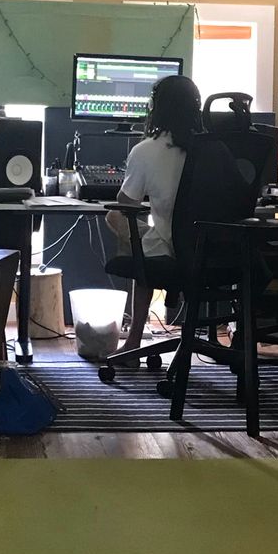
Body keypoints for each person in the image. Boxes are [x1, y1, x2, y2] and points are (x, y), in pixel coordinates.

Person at [105, 73, 203, 353]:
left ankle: (134, 340)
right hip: (211, 248)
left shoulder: (146, 150)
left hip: (172, 248)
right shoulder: (213, 147)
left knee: (121, 221)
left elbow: (124, 205)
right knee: (147, 239)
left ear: (156, 107)